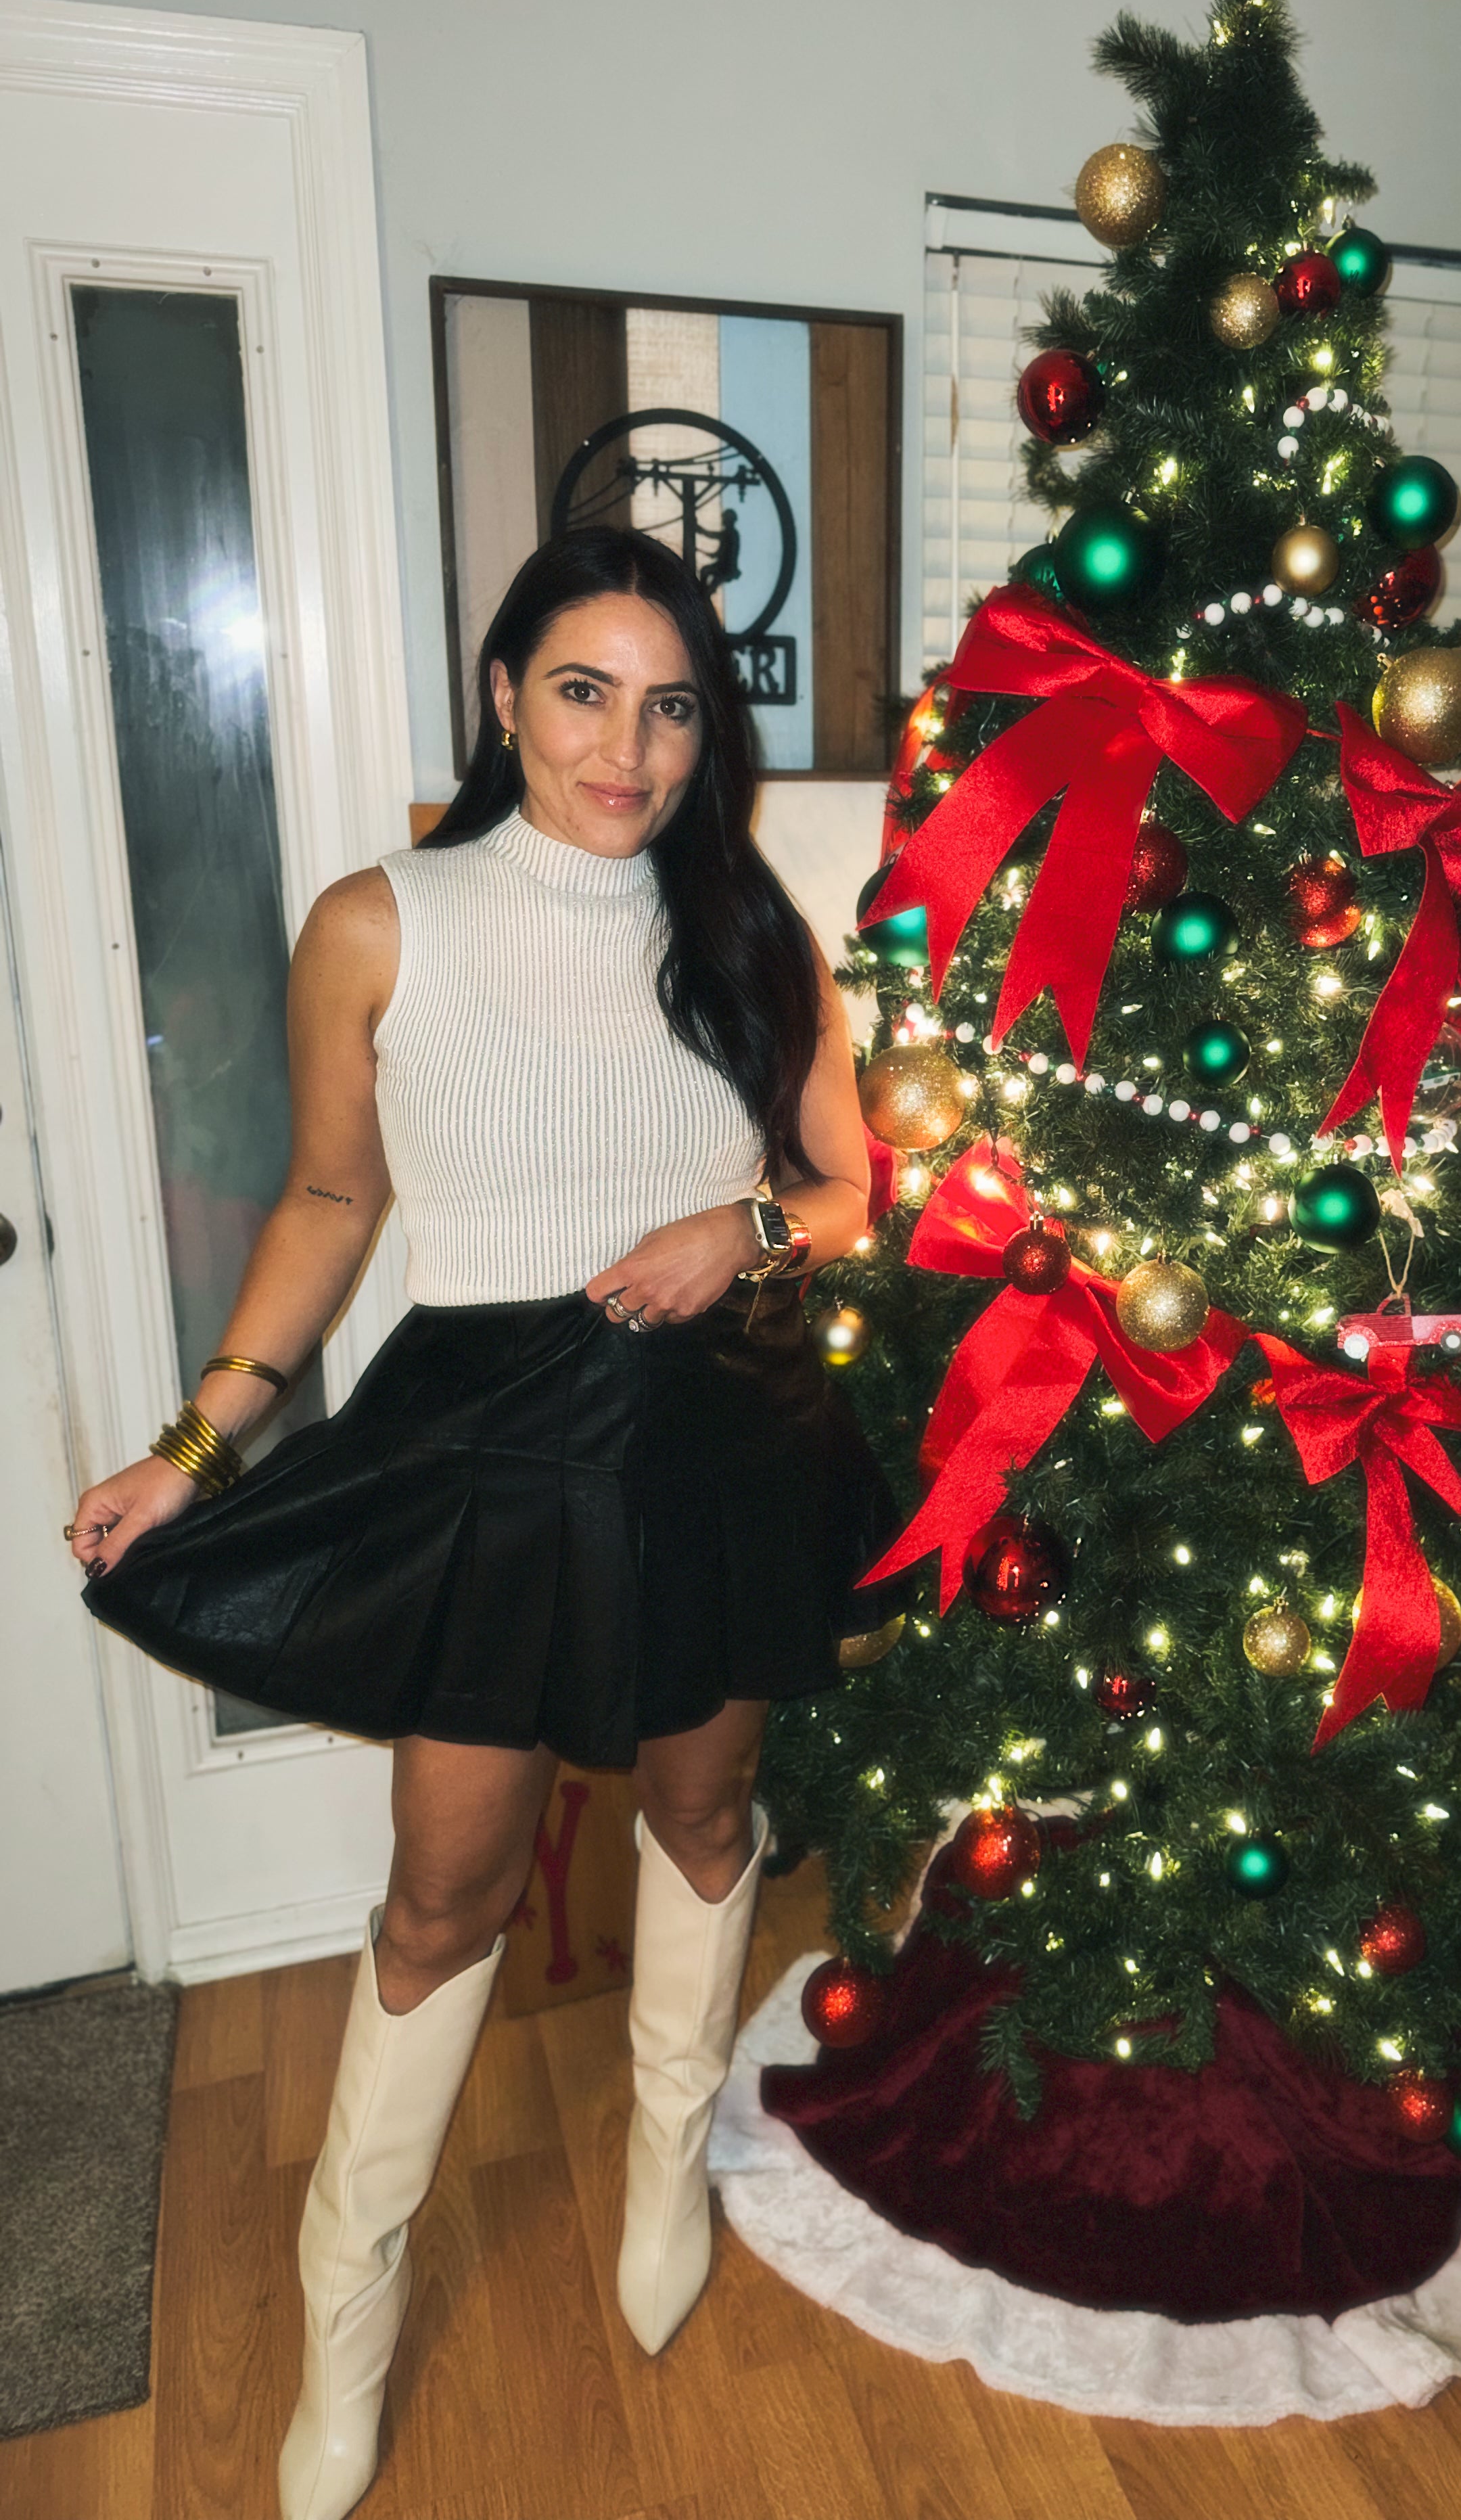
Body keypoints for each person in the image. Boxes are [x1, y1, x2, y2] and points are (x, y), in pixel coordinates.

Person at [70, 528, 894, 2520]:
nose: (627, 748)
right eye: (584, 693)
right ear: (506, 693)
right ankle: (342, 2321)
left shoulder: (753, 932)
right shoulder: (381, 922)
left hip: (717, 1434)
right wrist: (194, 1447)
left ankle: (666, 2168)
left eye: (670, 706)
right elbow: (329, 1202)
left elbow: (852, 1188)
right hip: (492, 1447)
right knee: (445, 1893)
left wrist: (741, 1229)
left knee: (705, 1809)